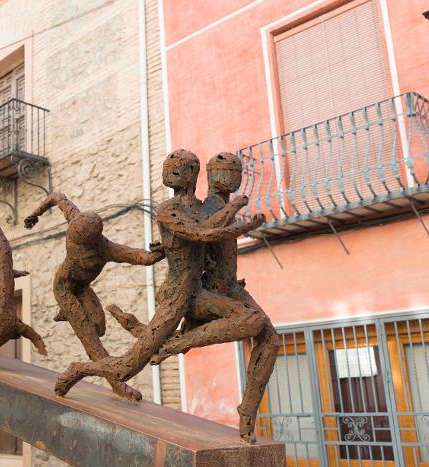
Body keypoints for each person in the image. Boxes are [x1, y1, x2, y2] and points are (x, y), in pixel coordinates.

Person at [54, 150, 263, 413]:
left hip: (196, 293)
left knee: (253, 320)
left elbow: (209, 228)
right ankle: (77, 370)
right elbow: (202, 234)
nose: (171, 169)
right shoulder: (167, 210)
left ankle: (173, 345)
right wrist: (241, 221)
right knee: (125, 368)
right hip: (176, 296)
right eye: (170, 164)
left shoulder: (198, 208)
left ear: (191, 174)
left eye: (179, 166)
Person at [147, 152, 278, 444]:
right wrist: (237, 214)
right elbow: (203, 233)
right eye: (224, 171)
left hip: (232, 287)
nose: (232, 178)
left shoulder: (217, 206)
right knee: (253, 322)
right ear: (210, 174)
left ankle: (247, 413)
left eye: (236, 172)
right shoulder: (207, 208)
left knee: (271, 338)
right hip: (210, 290)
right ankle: (178, 343)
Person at [24, 192, 165, 400]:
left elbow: (139, 256)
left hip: (82, 289)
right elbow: (56, 197)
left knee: (99, 327)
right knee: (92, 341)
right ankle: (118, 386)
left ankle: (68, 313)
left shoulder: (106, 249)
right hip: (64, 288)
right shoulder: (75, 217)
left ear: (91, 243)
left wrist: (160, 252)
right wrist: (34, 215)